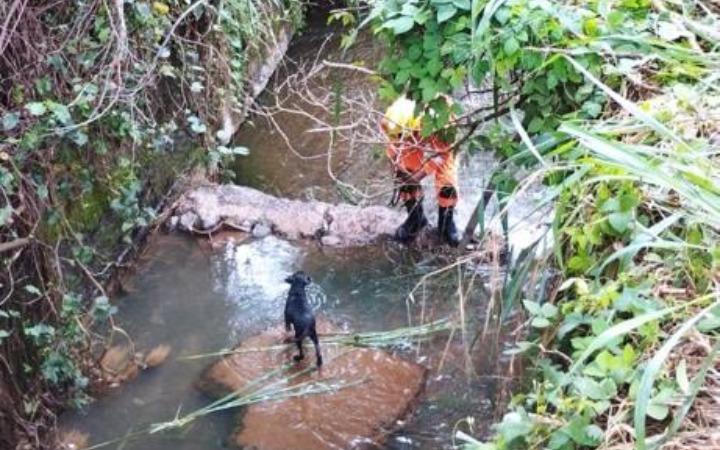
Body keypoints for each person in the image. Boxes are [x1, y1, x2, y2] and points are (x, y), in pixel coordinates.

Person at [380, 95, 460, 246]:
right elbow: (392, 148)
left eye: (401, 136)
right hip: (413, 132)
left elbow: (442, 153)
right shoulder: (393, 119)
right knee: (404, 173)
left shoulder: (444, 119)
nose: (400, 139)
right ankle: (416, 219)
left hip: (438, 137)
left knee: (447, 185)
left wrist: (418, 176)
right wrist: (399, 170)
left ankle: (446, 224)